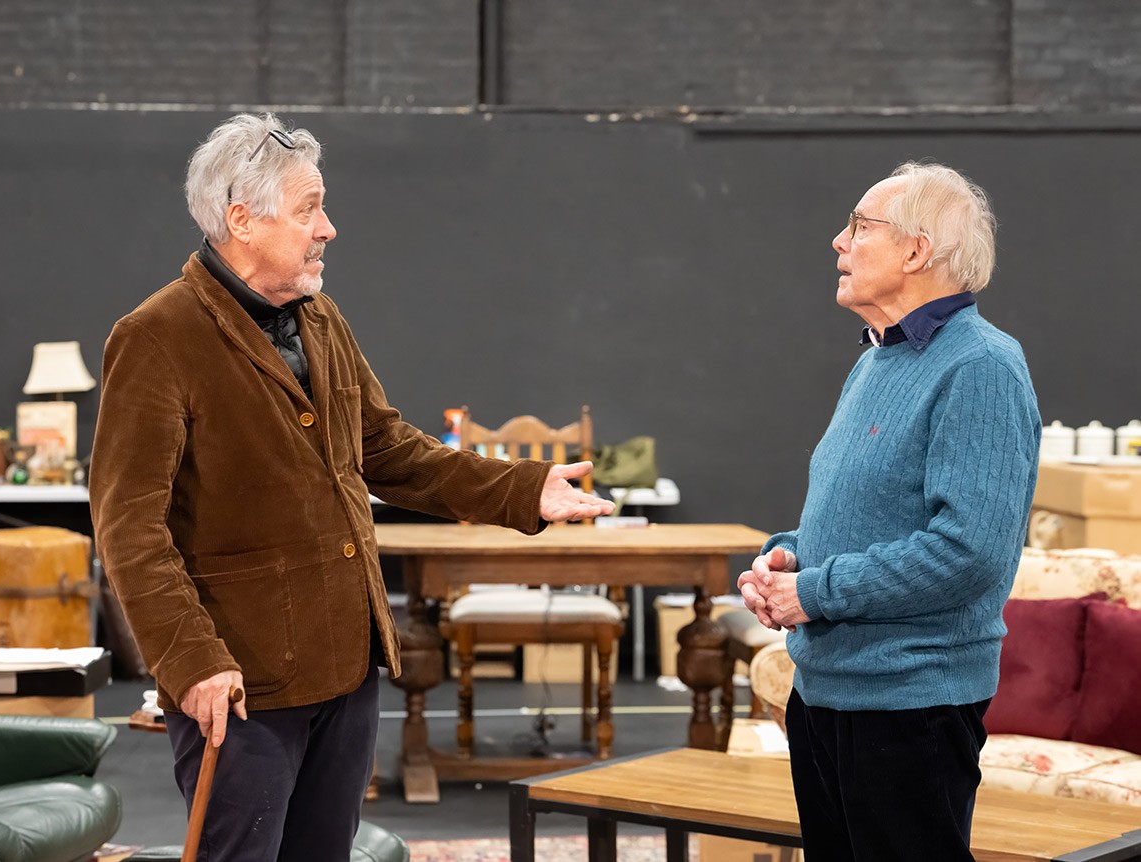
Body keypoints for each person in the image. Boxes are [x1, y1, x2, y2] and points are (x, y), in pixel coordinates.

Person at [89, 112, 614, 861]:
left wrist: (520, 491)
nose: (328, 228)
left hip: (345, 664)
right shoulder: (156, 335)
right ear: (241, 219)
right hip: (242, 680)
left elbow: (388, 449)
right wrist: (192, 661)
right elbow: (128, 528)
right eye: (309, 209)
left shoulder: (320, 318)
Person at [738, 162, 1040, 861]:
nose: (838, 242)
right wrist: (789, 557)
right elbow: (871, 515)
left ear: (916, 250)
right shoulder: (877, 361)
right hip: (828, 694)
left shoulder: (982, 366)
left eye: (859, 226)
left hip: (910, 707)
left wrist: (812, 592)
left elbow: (969, 551)